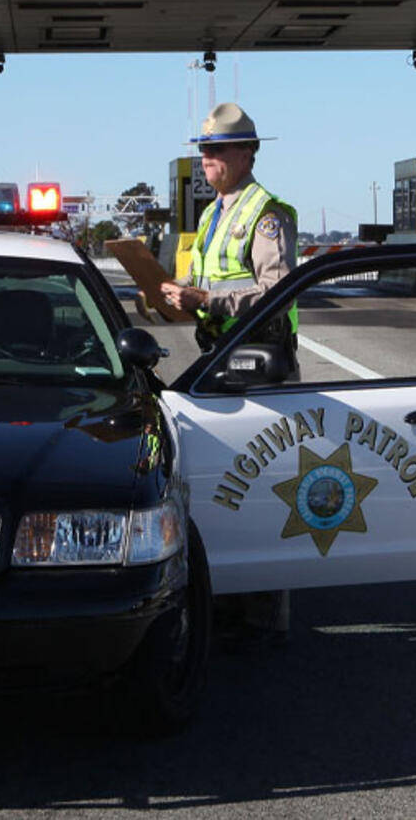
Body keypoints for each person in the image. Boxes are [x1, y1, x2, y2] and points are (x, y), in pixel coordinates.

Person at [161, 102, 297, 650]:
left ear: (246, 153)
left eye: (215, 150)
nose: (205, 158)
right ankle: (228, 597)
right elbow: (202, 281)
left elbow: (277, 291)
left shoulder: (267, 213)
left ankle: (265, 616)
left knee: (263, 489)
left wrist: (207, 299)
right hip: (221, 362)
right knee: (226, 488)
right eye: (202, 149)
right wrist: (174, 297)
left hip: (260, 366)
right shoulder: (215, 213)